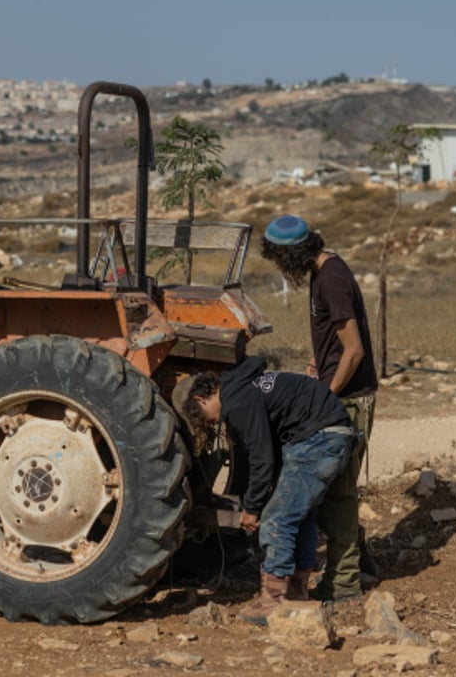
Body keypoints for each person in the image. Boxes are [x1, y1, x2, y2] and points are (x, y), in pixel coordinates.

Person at [179, 356, 354, 625]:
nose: (213, 424)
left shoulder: (236, 402)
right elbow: (269, 447)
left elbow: (262, 457)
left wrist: (252, 508)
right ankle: (297, 591)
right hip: (333, 433)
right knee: (300, 514)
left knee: (277, 518)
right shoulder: (246, 387)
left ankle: (273, 601)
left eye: (204, 418)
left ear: (201, 400)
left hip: (318, 438)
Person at [260, 213, 379, 603]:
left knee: (338, 496)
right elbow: (331, 340)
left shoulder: (332, 279)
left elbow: (354, 349)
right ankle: (359, 565)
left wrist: (325, 395)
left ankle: (344, 583)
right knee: (330, 492)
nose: (281, 270)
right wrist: (317, 363)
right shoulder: (322, 272)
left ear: (292, 255)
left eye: (281, 262)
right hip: (335, 390)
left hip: (348, 398)